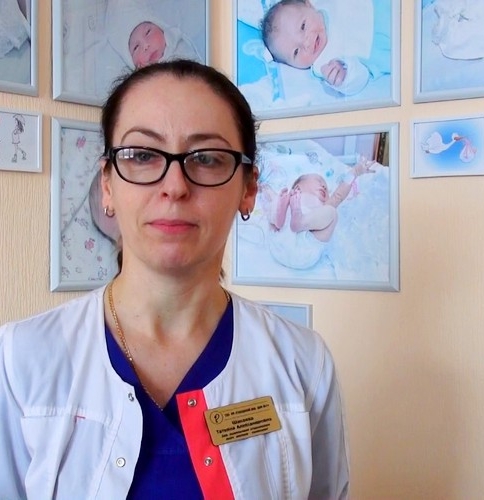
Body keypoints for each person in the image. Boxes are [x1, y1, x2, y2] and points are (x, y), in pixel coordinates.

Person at [0, 60, 349, 498]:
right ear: (107, 184)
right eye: (143, 155)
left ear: (248, 189)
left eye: (207, 159)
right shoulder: (21, 358)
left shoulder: (303, 362)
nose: (175, 186)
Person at [259, 159, 375, 269]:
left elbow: (338, 195)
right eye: (319, 182)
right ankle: (280, 220)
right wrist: (264, 188)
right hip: (282, 238)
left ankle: (296, 221)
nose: (324, 186)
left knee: (331, 212)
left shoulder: (322, 206)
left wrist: (355, 172)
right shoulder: (289, 198)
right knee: (275, 201)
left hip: (304, 247)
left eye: (326, 187)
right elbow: (270, 194)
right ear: (298, 187)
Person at [261, 0, 391, 96]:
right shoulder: (325, 64)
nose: (306, 43)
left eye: (303, 26)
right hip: (384, 49)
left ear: (309, 5)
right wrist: (343, 77)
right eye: (296, 51)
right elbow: (361, 77)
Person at [106, 0, 202, 69]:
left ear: (161, 28)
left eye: (148, 32)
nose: (145, 46)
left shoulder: (181, 47)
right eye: (136, 47)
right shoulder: (143, 80)